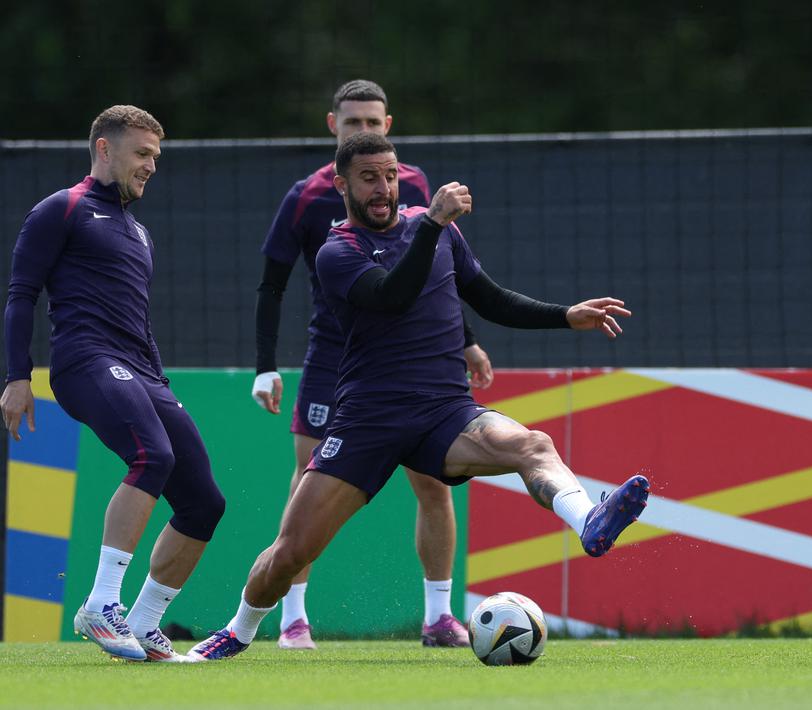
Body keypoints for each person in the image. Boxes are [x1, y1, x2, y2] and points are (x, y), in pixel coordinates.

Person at [187, 132, 647, 661]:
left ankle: (589, 521)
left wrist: (564, 316)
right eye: (368, 178)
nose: (383, 188)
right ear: (341, 184)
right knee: (290, 553)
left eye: (390, 175)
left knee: (533, 443)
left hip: (444, 413)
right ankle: (239, 631)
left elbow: (489, 298)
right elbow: (390, 297)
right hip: (369, 420)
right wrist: (430, 222)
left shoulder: (438, 234)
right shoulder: (337, 251)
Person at [252, 79, 492, 649]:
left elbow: (431, 276)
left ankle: (439, 616)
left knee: (434, 484)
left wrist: (466, 339)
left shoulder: (414, 188)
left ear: (389, 126)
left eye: (374, 123)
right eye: (353, 122)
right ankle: (293, 619)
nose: (365, 131)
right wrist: (265, 363)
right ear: (333, 126)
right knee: (307, 484)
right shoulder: (306, 196)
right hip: (332, 357)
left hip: (405, 363)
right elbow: (272, 284)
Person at [2, 106, 227, 663]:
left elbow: (137, 317)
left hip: (141, 369)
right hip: (84, 361)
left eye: (156, 156)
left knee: (204, 502)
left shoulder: (139, 231)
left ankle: (147, 621)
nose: (151, 165)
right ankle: (102, 604)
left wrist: (158, 378)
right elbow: (21, 294)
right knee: (152, 456)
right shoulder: (63, 209)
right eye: (142, 153)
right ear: (105, 148)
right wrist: (16, 377)